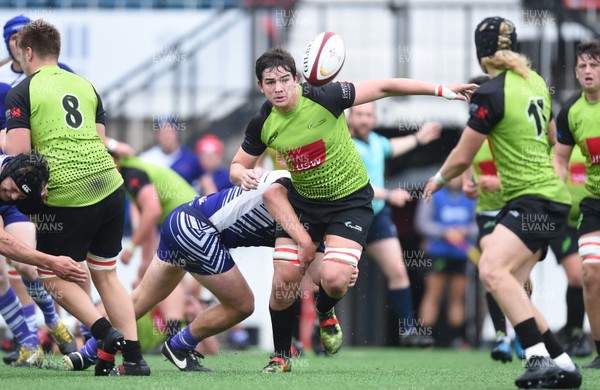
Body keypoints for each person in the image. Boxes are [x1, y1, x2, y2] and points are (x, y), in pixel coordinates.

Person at [229, 46, 476, 371]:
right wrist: (242, 174)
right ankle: (281, 356)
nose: (278, 88)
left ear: (297, 80)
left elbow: (385, 87)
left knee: (334, 280)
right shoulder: (262, 122)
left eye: (284, 80)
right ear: (261, 86)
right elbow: (236, 165)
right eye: (270, 82)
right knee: (284, 280)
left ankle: (325, 310)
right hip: (303, 203)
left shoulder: (325, 96)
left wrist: (440, 90)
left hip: (350, 201)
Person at [423, 16, 581, 388]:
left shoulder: (491, 92)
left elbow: (462, 156)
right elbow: (554, 138)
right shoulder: (536, 81)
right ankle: (563, 363)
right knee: (510, 282)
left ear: (483, 54)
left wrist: (437, 179)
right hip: (547, 197)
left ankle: (536, 357)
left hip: (532, 199)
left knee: (491, 270)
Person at [64, 170, 348, 373]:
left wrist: (342, 273)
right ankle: (179, 346)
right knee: (242, 304)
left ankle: (85, 353)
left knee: (138, 302)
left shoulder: (312, 204)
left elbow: (314, 273)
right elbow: (274, 196)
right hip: (196, 229)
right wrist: (306, 244)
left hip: (182, 221)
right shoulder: (288, 187)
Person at [3, 19, 149, 376]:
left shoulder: (22, 91)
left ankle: (104, 334)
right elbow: (100, 142)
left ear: (28, 52)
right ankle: (134, 359)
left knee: (47, 272)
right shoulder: (86, 85)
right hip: (111, 187)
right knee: (106, 275)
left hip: (69, 193)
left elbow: (20, 164)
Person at [347, 102, 442, 344]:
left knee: (398, 271)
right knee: (336, 277)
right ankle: (322, 328)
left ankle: (407, 330)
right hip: (347, 217)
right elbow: (356, 186)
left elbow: (392, 147)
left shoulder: (377, 142)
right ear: (350, 116)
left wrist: (420, 138)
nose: (364, 119)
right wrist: (389, 194)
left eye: (368, 114)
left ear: (375, 118)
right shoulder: (343, 144)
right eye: (359, 114)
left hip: (377, 216)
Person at [0, 152, 86, 367]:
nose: (11, 195)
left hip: (13, 209)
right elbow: (3, 243)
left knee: (26, 267)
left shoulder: (16, 191)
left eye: (19, 194)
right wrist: (51, 261)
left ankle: (54, 322)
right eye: (11, 189)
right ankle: (29, 345)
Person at [555, 40, 600, 370]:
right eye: (582, 66)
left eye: (594, 65)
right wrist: (553, 191)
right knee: (590, 273)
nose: (588, 71)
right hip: (593, 204)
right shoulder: (570, 111)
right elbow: (560, 158)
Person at [415, 176, 476, 347]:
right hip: (438, 252)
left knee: (457, 297)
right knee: (433, 294)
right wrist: (444, 232)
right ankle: (425, 339)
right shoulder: (433, 194)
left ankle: (456, 338)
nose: (455, 178)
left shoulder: (471, 195)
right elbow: (422, 223)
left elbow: (479, 223)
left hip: (461, 254)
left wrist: (465, 231)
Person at [139, 118, 203, 186]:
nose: (166, 136)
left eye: (170, 131)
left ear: (176, 133)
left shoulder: (190, 158)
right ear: (156, 136)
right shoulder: (146, 159)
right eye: (162, 132)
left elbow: (206, 183)